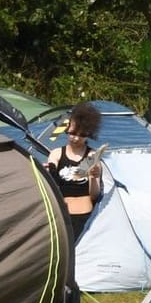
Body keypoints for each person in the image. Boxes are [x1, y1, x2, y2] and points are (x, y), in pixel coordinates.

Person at [46, 102, 105, 242]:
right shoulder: (56, 154)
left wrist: (94, 176)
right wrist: (48, 171)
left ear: (88, 134)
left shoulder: (92, 156)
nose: (76, 138)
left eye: (82, 134)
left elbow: (94, 195)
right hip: (61, 216)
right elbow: (53, 182)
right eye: (72, 133)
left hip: (86, 216)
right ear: (66, 130)